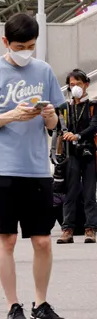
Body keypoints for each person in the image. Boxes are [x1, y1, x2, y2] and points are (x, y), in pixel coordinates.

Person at [0, 12, 66, 319]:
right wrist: (11, 116)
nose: (26, 51)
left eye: (32, 45)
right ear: (5, 43)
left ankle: (41, 303)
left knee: (42, 241)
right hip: (3, 169)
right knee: (7, 240)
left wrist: (49, 115)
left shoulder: (44, 70)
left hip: (38, 169)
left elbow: (54, 125)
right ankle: (13, 306)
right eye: (20, 45)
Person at [57, 69, 97, 244]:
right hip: (71, 155)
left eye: (78, 84)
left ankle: (90, 230)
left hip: (89, 153)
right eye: (72, 85)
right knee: (70, 194)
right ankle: (67, 230)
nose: (75, 88)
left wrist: (78, 136)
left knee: (89, 194)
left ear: (86, 84)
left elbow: (94, 126)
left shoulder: (93, 105)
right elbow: (58, 130)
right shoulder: (65, 108)